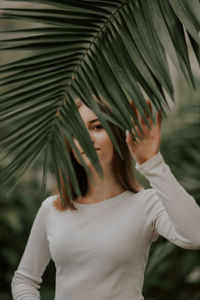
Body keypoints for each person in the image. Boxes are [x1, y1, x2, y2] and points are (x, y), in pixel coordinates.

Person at [11, 97, 200, 300]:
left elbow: (195, 236)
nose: (86, 138)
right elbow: (24, 279)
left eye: (97, 127)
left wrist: (152, 163)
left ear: (117, 135)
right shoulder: (52, 208)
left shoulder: (147, 203)